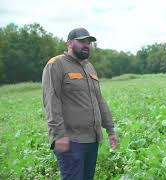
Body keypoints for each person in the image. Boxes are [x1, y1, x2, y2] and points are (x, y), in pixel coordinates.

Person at [42, 27, 118, 180]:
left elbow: (99, 100)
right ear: (69, 43)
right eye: (82, 41)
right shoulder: (56, 65)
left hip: (92, 139)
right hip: (71, 141)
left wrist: (110, 130)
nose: (86, 45)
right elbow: (51, 101)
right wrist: (59, 135)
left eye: (88, 42)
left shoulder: (89, 67)